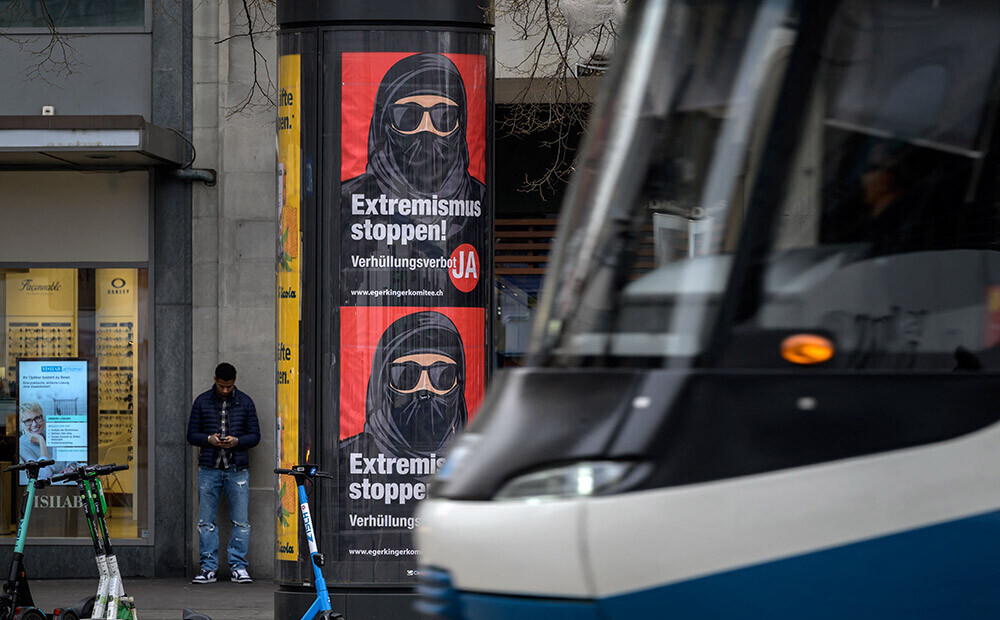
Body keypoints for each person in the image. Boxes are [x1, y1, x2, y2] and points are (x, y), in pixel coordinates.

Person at [187, 363, 260, 584]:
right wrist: (208, 439)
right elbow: (191, 435)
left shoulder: (245, 402)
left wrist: (237, 442)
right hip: (209, 468)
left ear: (234, 382)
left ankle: (238, 566)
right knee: (206, 521)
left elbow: (255, 436)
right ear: (215, 380)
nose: (225, 390)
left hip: (236, 468)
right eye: (221, 386)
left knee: (241, 521)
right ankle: (208, 567)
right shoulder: (202, 401)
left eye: (229, 386)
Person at [17, 402, 72, 479]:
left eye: (37, 418)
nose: (34, 424)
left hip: (66, 484)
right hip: (44, 489)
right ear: (21, 425)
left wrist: (70, 467)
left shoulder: (50, 434)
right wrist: (41, 441)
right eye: (28, 421)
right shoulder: (21, 445)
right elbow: (43, 474)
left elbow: (69, 458)